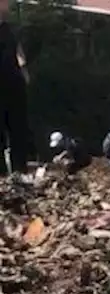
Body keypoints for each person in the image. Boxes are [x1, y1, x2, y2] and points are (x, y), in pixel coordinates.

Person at [0, 0, 30, 178]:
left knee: (18, 131)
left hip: (14, 86)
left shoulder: (9, 30)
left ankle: (20, 172)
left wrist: (24, 69)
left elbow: (18, 50)